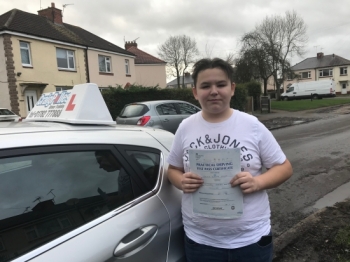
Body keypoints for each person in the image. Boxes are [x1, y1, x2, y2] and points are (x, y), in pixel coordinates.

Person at [167, 58, 293, 262]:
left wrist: (257, 182)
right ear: (195, 92)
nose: (214, 91)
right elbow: (173, 169)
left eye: (221, 84)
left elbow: (284, 168)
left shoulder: (252, 125)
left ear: (232, 88)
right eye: (206, 86)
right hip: (201, 241)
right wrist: (181, 181)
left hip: (250, 239)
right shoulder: (185, 127)